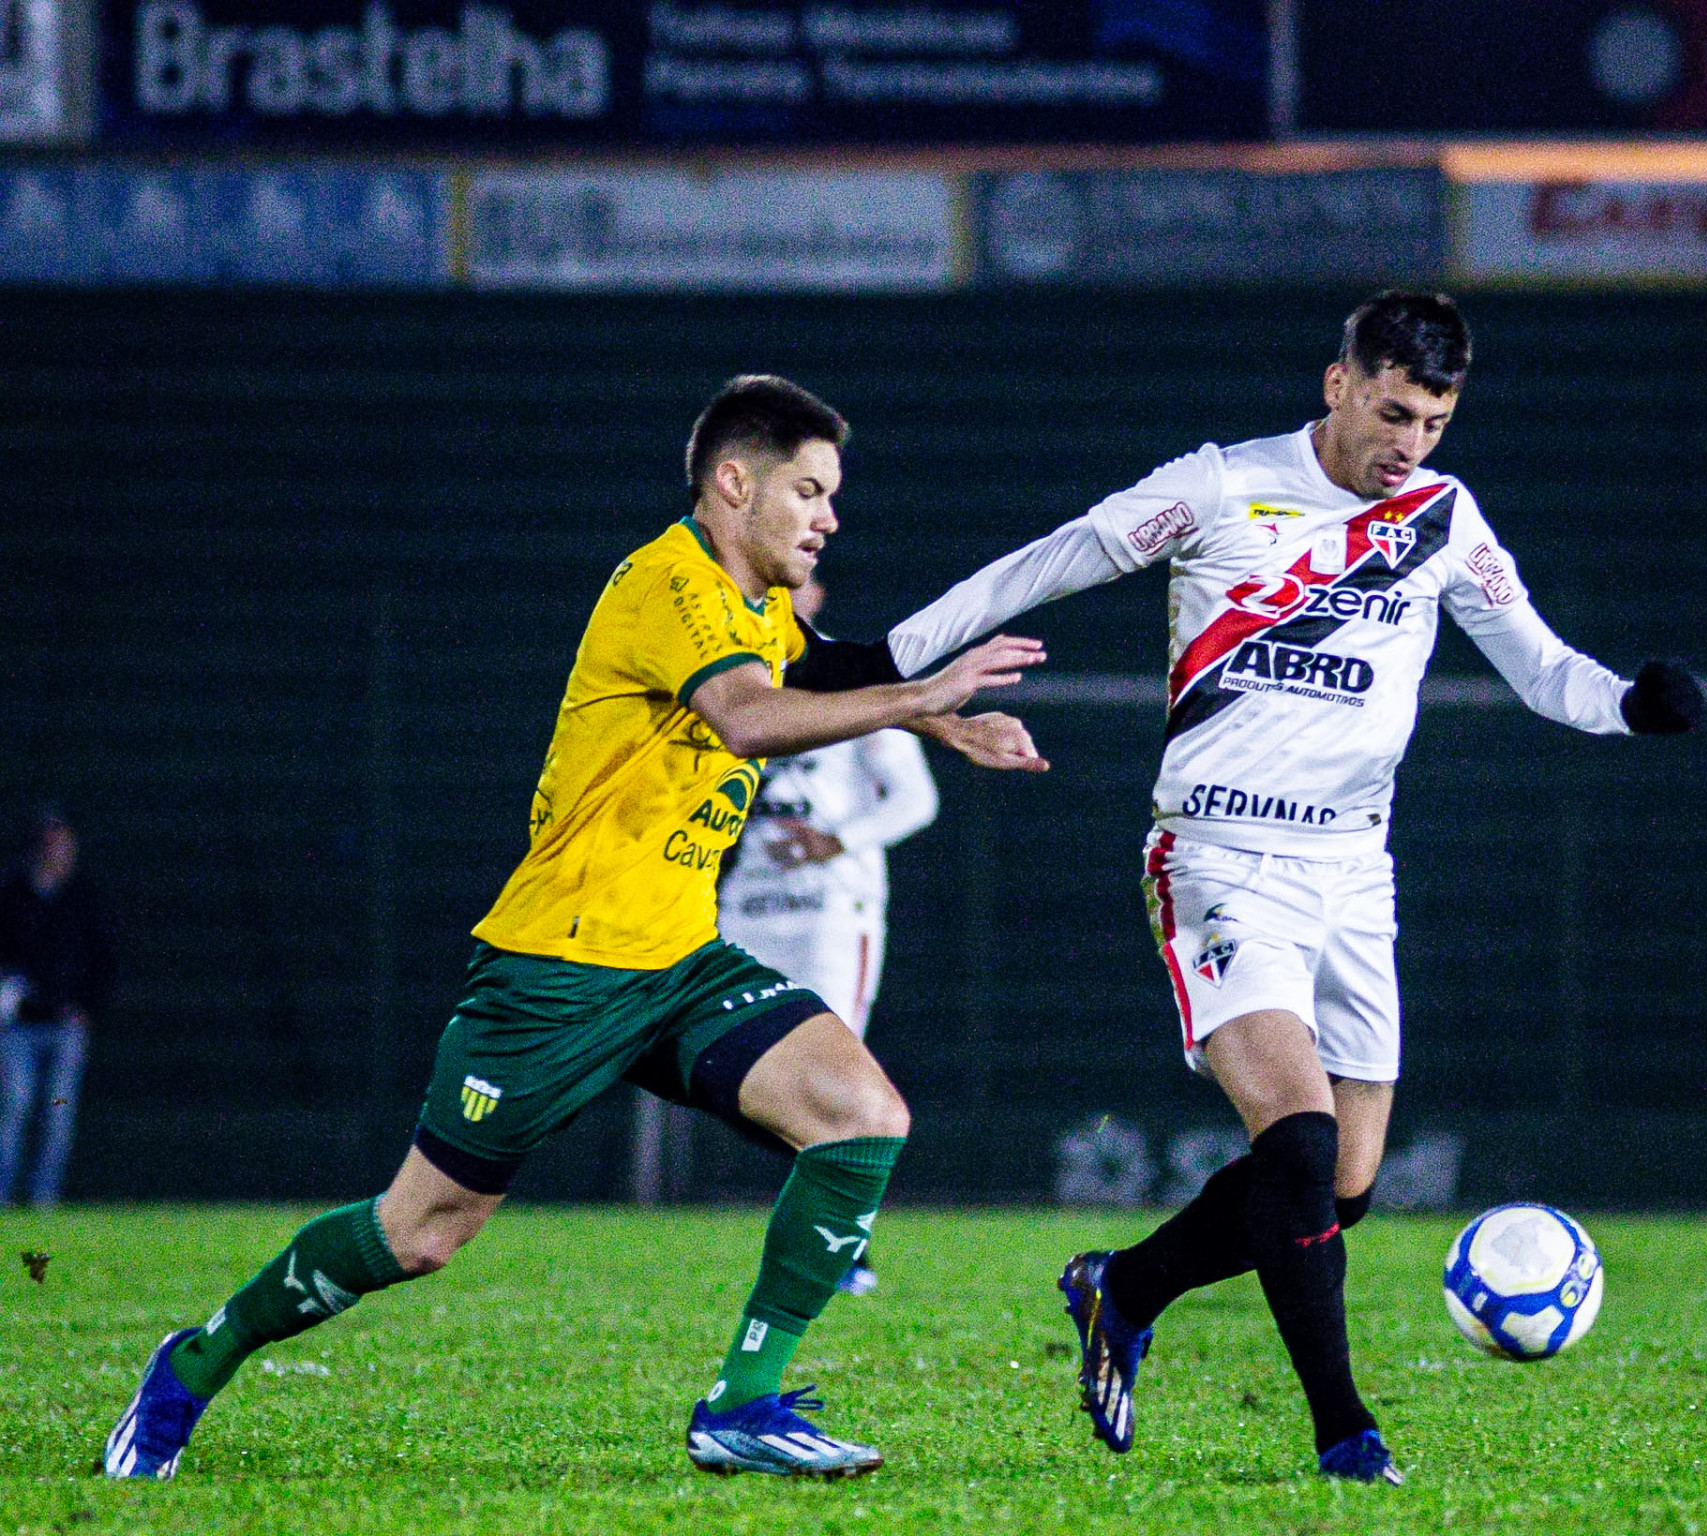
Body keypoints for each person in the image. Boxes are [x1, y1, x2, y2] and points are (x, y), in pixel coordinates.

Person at [105, 374, 1047, 1482]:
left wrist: (938, 718)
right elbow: (748, 719)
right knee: (420, 1233)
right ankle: (194, 1363)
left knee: (862, 1115)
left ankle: (741, 1406)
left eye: (833, 494)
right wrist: (923, 694)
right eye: (809, 490)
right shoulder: (671, 585)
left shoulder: (754, 605)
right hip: (557, 968)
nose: (829, 516)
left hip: (678, 961)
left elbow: (822, 668)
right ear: (732, 484)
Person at [880, 293, 1703, 1483]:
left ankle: (1127, 1287)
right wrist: (902, 659)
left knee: (1343, 1186)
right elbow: (1054, 558)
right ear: (1337, 384)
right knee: (1302, 1144)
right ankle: (1343, 1433)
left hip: (1354, 874)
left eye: (1432, 421)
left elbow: (1538, 666)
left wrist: (1630, 705)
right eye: (1390, 413)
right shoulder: (1223, 488)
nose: (1407, 444)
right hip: (1218, 857)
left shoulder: (1442, 516)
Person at [719, 578, 941, 1295]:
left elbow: (915, 799)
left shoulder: (846, 684)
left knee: (833, 1073)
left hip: (829, 912)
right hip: (741, 910)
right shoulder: (724, 680)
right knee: (737, 1073)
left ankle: (848, 1243)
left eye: (805, 580)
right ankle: (827, 1222)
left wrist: (838, 840)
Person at [0, 805, 114, 1208]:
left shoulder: (82, 896)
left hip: (65, 1026)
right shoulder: (12, 893)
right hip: (19, 1025)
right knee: (14, 1107)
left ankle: (42, 1196)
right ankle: (3, 1193)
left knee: (57, 1113)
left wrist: (86, 1004)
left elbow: (103, 956)